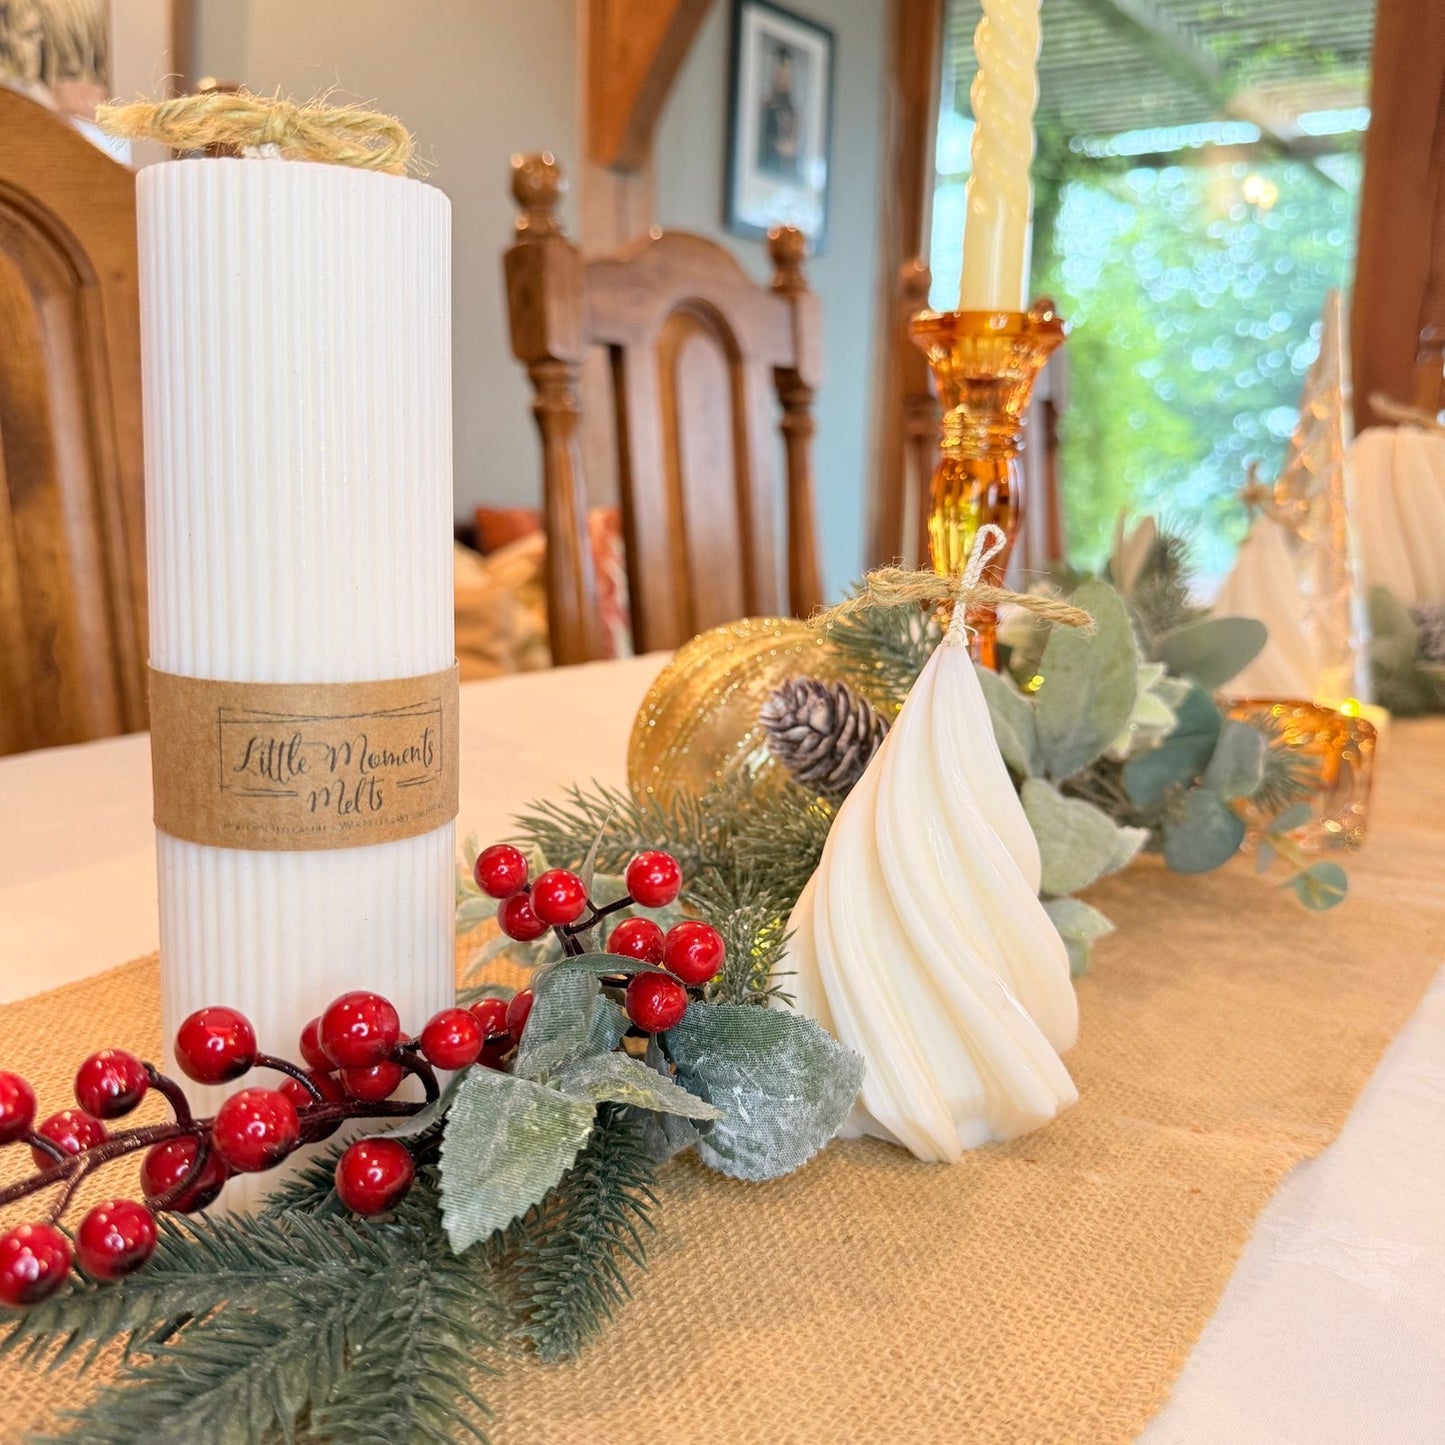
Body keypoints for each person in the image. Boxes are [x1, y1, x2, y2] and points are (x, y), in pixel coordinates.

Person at [758, 44, 802, 179]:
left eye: (787, 74)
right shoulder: (765, 107)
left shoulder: (795, 112)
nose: (784, 78)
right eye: (780, 73)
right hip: (768, 169)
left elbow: (796, 147)